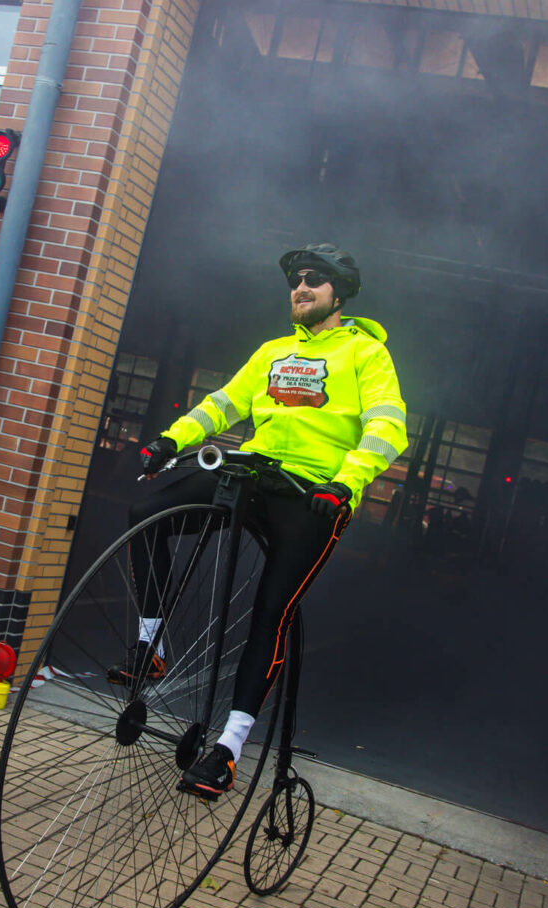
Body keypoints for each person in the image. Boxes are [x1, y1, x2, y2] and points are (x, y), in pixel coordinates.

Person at [119, 243, 407, 798]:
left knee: (271, 610)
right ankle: (150, 647)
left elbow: (388, 426)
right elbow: (225, 404)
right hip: (254, 473)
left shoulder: (366, 355)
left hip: (313, 495)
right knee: (146, 513)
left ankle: (228, 748)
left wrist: (345, 483)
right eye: (295, 280)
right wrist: (170, 440)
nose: (300, 287)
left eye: (315, 280)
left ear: (339, 293)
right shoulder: (273, 350)